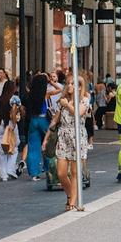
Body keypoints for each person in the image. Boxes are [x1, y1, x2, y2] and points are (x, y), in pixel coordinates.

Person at [47, 77, 91, 210]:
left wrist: (67, 105)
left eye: (73, 84)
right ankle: (70, 195)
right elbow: (56, 119)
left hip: (77, 136)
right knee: (60, 173)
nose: (69, 86)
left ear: (79, 87)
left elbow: (79, 113)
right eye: (68, 83)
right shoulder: (63, 100)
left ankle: (72, 202)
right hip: (63, 136)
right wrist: (47, 137)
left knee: (74, 172)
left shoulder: (84, 99)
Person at [24, 73, 52, 181]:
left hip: (33, 120)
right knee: (49, 145)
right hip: (44, 119)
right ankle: (49, 168)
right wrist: (51, 82)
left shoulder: (30, 94)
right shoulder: (46, 93)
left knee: (33, 147)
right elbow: (60, 89)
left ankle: (34, 173)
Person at [0, 80, 22, 181]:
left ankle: (3, 174)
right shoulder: (14, 98)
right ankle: (10, 169)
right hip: (10, 124)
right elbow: (14, 111)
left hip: (0, 123)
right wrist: (14, 124)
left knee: (1, 149)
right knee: (13, 147)